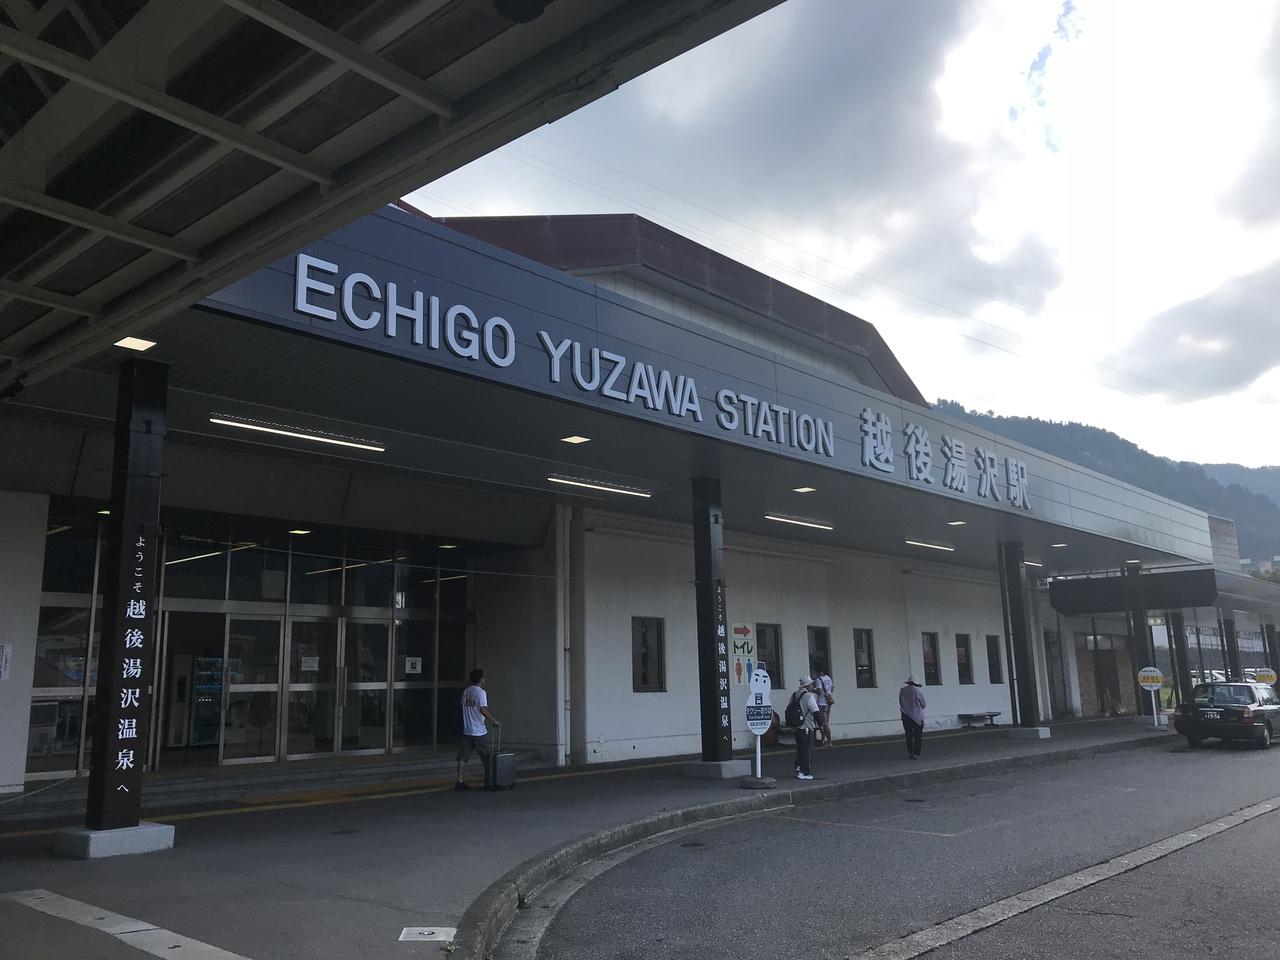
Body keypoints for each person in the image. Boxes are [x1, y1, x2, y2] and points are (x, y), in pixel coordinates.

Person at [455, 668, 500, 790]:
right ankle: (489, 782)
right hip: (478, 731)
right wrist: (494, 721)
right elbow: (482, 709)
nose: (484, 678)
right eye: (483, 676)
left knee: (463, 756)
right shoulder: (480, 692)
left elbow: (462, 706)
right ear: (481, 679)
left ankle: (459, 781)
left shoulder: (466, 691)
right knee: (486, 757)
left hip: (467, 729)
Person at [791, 676, 821, 780]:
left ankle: (798, 768)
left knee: (800, 749)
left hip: (796, 727)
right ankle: (805, 772)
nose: (812, 686)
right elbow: (815, 711)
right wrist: (821, 725)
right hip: (806, 727)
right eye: (811, 684)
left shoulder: (794, 695)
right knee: (807, 750)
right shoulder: (809, 696)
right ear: (807, 685)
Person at [899, 674, 926, 759]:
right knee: (918, 736)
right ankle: (916, 753)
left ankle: (910, 752)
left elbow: (900, 702)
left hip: (905, 716)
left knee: (908, 735)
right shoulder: (917, 691)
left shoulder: (902, 690)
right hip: (916, 717)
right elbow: (923, 704)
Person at [815, 664, 834, 746]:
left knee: (823, 723)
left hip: (821, 703)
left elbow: (819, 692)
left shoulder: (818, 679)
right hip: (828, 702)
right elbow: (832, 689)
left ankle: (829, 741)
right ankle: (823, 739)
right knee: (824, 722)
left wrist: (812, 690)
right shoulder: (828, 678)